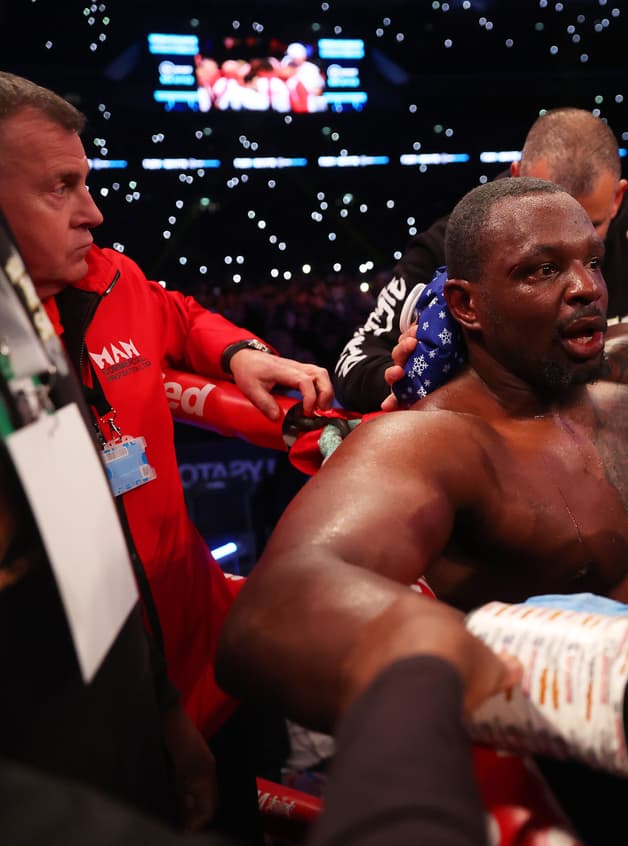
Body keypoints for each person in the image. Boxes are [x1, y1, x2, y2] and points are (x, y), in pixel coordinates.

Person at [218, 176, 628, 727]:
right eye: (542, 270)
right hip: (585, 749)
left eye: (593, 261)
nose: (586, 288)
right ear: (467, 305)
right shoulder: (432, 440)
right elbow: (271, 616)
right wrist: (539, 662)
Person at [0, 70, 334, 832]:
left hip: (213, 660)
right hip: (105, 716)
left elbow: (177, 315)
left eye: (86, 181)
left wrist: (239, 351)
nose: (95, 211)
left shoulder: (111, 276)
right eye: (61, 187)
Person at [334, 107, 628, 413]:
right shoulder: (456, 246)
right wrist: (412, 379)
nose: (582, 283)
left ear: (618, 198)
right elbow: (353, 366)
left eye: (591, 227)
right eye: (546, 253)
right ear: (515, 177)